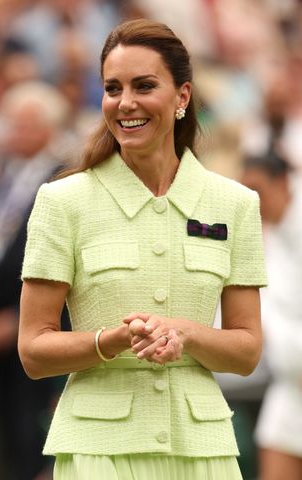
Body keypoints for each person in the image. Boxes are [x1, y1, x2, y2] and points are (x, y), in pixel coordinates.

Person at [18, 19, 267, 480]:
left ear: (183, 97)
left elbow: (247, 351)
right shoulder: (61, 201)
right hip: (98, 452)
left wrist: (185, 333)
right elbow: (33, 351)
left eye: (144, 85)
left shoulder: (235, 204)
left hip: (203, 452)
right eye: (113, 88)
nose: (126, 103)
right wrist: (113, 341)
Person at [0, 80, 71, 480]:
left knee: (31, 442)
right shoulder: (0, 180)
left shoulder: (61, 181)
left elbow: (51, 262)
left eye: (27, 125)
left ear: (50, 129)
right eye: (12, 124)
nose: (16, 134)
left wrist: (15, 322)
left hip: (31, 325)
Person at [241, 152, 302, 480]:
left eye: (257, 190)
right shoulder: (265, 238)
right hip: (289, 390)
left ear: (282, 183)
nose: (253, 201)